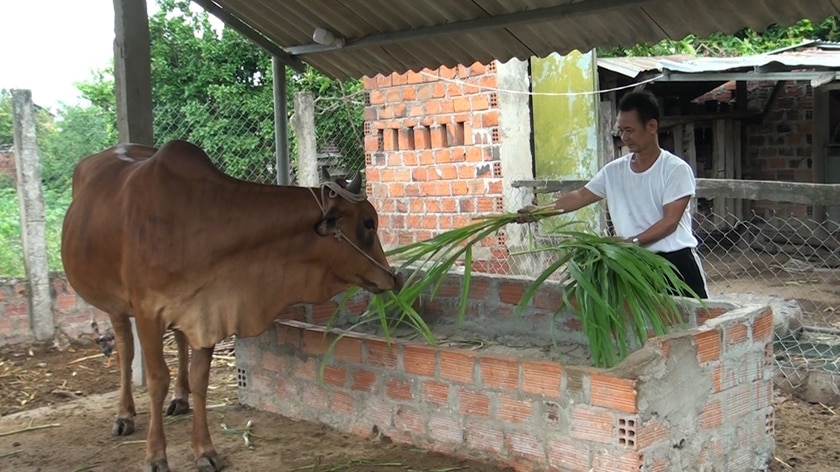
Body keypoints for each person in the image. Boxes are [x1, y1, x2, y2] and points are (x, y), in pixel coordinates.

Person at [517, 90, 708, 299]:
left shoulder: (674, 169)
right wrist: (540, 211)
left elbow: (670, 222)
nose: (624, 137)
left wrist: (632, 242)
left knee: (697, 327)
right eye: (621, 130)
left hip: (675, 265)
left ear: (652, 126)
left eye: (630, 130)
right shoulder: (613, 171)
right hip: (633, 264)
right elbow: (580, 196)